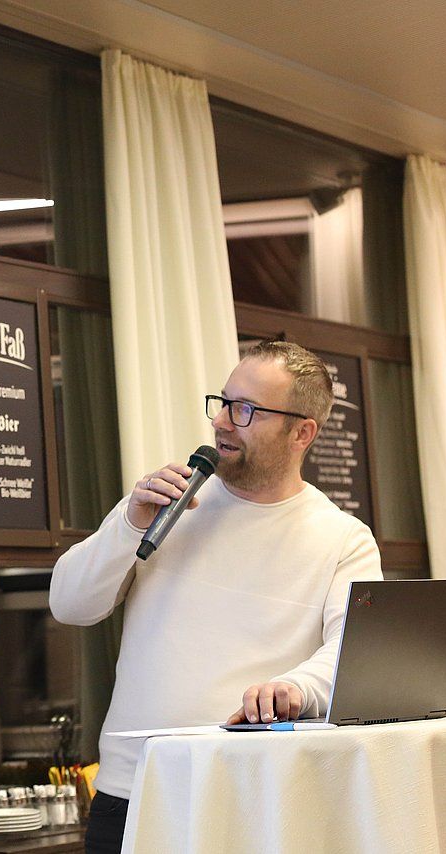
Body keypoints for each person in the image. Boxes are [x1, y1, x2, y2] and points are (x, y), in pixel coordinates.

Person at [49, 341, 382, 854]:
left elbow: (353, 654)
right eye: (224, 402)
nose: (223, 421)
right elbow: (70, 604)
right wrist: (128, 524)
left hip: (255, 793)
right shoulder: (169, 502)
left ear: (303, 432)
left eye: (247, 410)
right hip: (133, 789)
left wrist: (295, 687)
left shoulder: (344, 538)